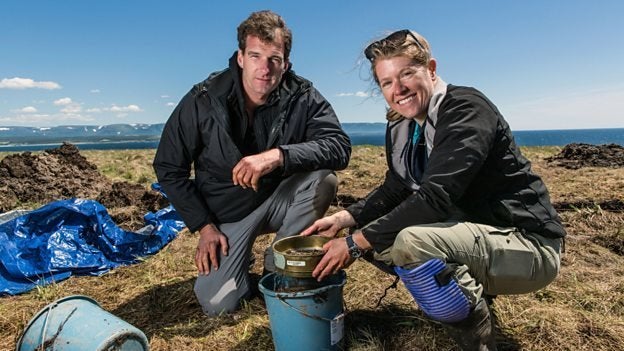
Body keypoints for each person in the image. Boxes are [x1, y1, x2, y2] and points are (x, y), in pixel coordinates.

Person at [301, 29, 565, 350]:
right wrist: (346, 219)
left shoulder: (466, 109)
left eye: (407, 74)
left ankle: (478, 340)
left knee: (411, 242)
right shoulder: (404, 123)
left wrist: (354, 245)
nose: (398, 89)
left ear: (432, 69)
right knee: (371, 231)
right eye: (386, 82)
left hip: (527, 244)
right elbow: (397, 185)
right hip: (477, 234)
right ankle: (461, 294)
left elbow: (435, 198)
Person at [153, 10, 351, 316]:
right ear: (241, 57)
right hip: (227, 214)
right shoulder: (203, 99)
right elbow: (168, 167)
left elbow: (339, 147)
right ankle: (240, 267)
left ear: (285, 64)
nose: (265, 68)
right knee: (217, 304)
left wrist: (279, 155)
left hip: (280, 198)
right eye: (256, 55)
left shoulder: (303, 95)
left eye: (274, 58)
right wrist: (205, 228)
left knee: (323, 179)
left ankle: (280, 265)